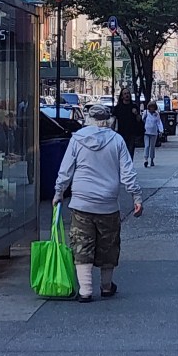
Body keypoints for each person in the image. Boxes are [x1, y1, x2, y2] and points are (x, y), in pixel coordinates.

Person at [53, 103, 143, 303]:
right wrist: (136, 197)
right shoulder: (117, 140)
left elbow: (65, 169)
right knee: (108, 245)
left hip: (81, 202)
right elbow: (127, 172)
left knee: (81, 245)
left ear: (88, 119)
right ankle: (106, 286)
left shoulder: (77, 139)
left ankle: (85, 290)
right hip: (108, 203)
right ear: (107, 120)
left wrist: (59, 192)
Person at [112, 87, 141, 158]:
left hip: (131, 133)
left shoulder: (134, 106)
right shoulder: (117, 108)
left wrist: (136, 114)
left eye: (128, 93)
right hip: (121, 133)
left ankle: (129, 167)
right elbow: (113, 120)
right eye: (125, 94)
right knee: (121, 153)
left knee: (130, 152)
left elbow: (139, 120)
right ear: (122, 96)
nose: (127, 95)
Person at [141, 101, 164, 167]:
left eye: (153, 107)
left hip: (154, 132)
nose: (152, 108)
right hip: (146, 132)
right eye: (151, 107)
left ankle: (151, 160)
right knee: (147, 146)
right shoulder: (146, 113)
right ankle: (145, 159)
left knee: (152, 147)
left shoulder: (156, 114)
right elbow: (142, 120)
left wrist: (161, 130)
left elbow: (159, 122)